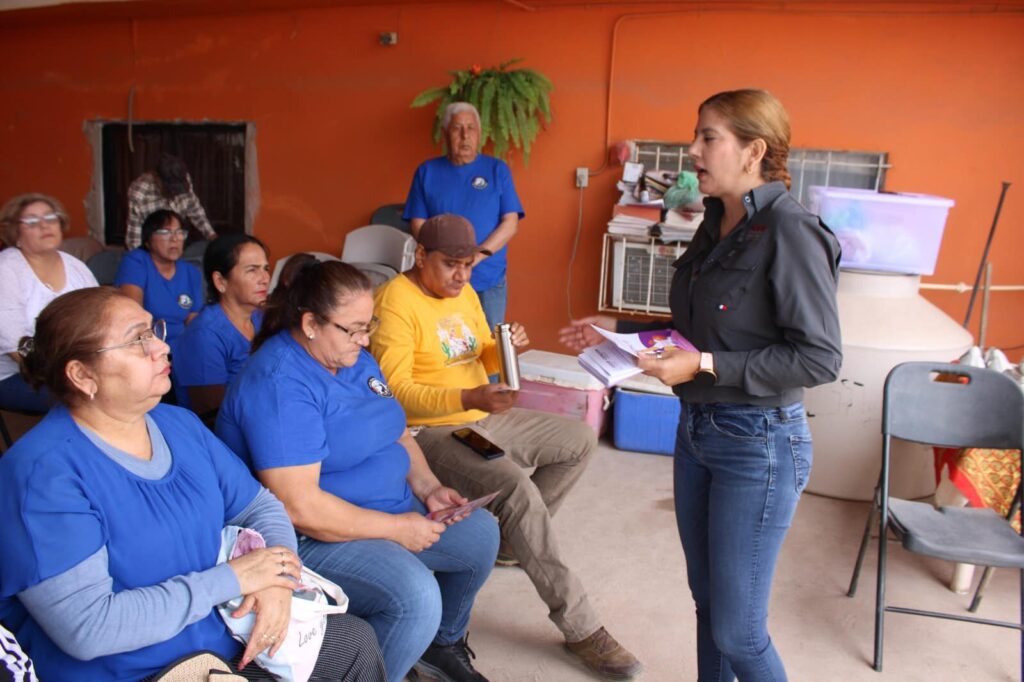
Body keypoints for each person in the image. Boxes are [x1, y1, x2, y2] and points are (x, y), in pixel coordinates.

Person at [560, 89, 842, 681]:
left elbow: (817, 358)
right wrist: (618, 329)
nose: (693, 150)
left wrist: (705, 366)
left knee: (740, 630)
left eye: (708, 137)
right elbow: (699, 328)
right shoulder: (717, 222)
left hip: (758, 444)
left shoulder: (791, 231)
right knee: (710, 606)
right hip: (697, 431)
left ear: (753, 151)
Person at [0, 287, 386, 682]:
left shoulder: (177, 424)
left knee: (355, 643)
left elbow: (259, 506)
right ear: (82, 375)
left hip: (219, 632)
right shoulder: (42, 475)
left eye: (154, 331)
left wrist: (278, 579)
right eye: (137, 340)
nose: (161, 349)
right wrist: (236, 578)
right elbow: (90, 628)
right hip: (136, 669)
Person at [371, 214, 642, 680]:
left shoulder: (465, 292)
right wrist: (468, 397)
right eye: (451, 265)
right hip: (433, 431)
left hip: (484, 416)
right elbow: (395, 392)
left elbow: (478, 353)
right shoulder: (395, 301)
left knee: (578, 439)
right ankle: (580, 626)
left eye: (469, 266)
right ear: (420, 257)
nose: (462, 276)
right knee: (516, 489)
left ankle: (513, 547)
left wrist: (506, 347)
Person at [215, 260, 500, 682]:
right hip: (314, 536)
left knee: (480, 536)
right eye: (353, 329)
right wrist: (396, 529)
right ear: (311, 323)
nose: (365, 339)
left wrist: (430, 488)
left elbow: (397, 433)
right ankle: (373, 669)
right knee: (414, 595)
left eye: (369, 325)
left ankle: (438, 644)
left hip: (391, 508)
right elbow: (300, 507)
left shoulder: (353, 357)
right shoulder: (281, 384)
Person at [403, 102, 524, 327]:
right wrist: (448, 260)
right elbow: (418, 223)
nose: (464, 135)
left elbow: (510, 223)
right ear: (445, 133)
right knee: (444, 345)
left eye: (471, 128)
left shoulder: (497, 170)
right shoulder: (426, 171)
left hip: (488, 279)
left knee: (489, 344)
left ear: (479, 134)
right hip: (440, 279)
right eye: (457, 128)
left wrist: (473, 259)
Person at [0, 193, 98, 413]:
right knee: (89, 397)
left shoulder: (76, 267)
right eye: (32, 222)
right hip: (17, 375)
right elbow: (19, 347)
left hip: (76, 366)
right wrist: (75, 374)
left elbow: (98, 318)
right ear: (16, 234)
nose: (45, 225)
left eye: (51, 218)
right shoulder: (6, 269)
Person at [175, 233, 270, 419]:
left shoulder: (260, 318)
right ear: (220, 281)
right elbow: (211, 414)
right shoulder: (204, 335)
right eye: (252, 270)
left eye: (266, 268)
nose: (265, 278)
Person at [115, 209, 204, 370]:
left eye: (179, 232)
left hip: (181, 352)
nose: (175, 238)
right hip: (147, 350)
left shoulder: (191, 272)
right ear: (148, 240)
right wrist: (160, 354)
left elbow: (193, 322)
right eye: (165, 232)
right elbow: (133, 316)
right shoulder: (136, 262)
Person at [125, 153, 217, 250]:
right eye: (171, 189)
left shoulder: (184, 180)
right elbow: (134, 234)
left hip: (178, 242)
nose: (174, 194)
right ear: (157, 178)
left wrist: (212, 236)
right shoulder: (140, 191)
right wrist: (139, 259)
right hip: (151, 247)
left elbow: (195, 210)